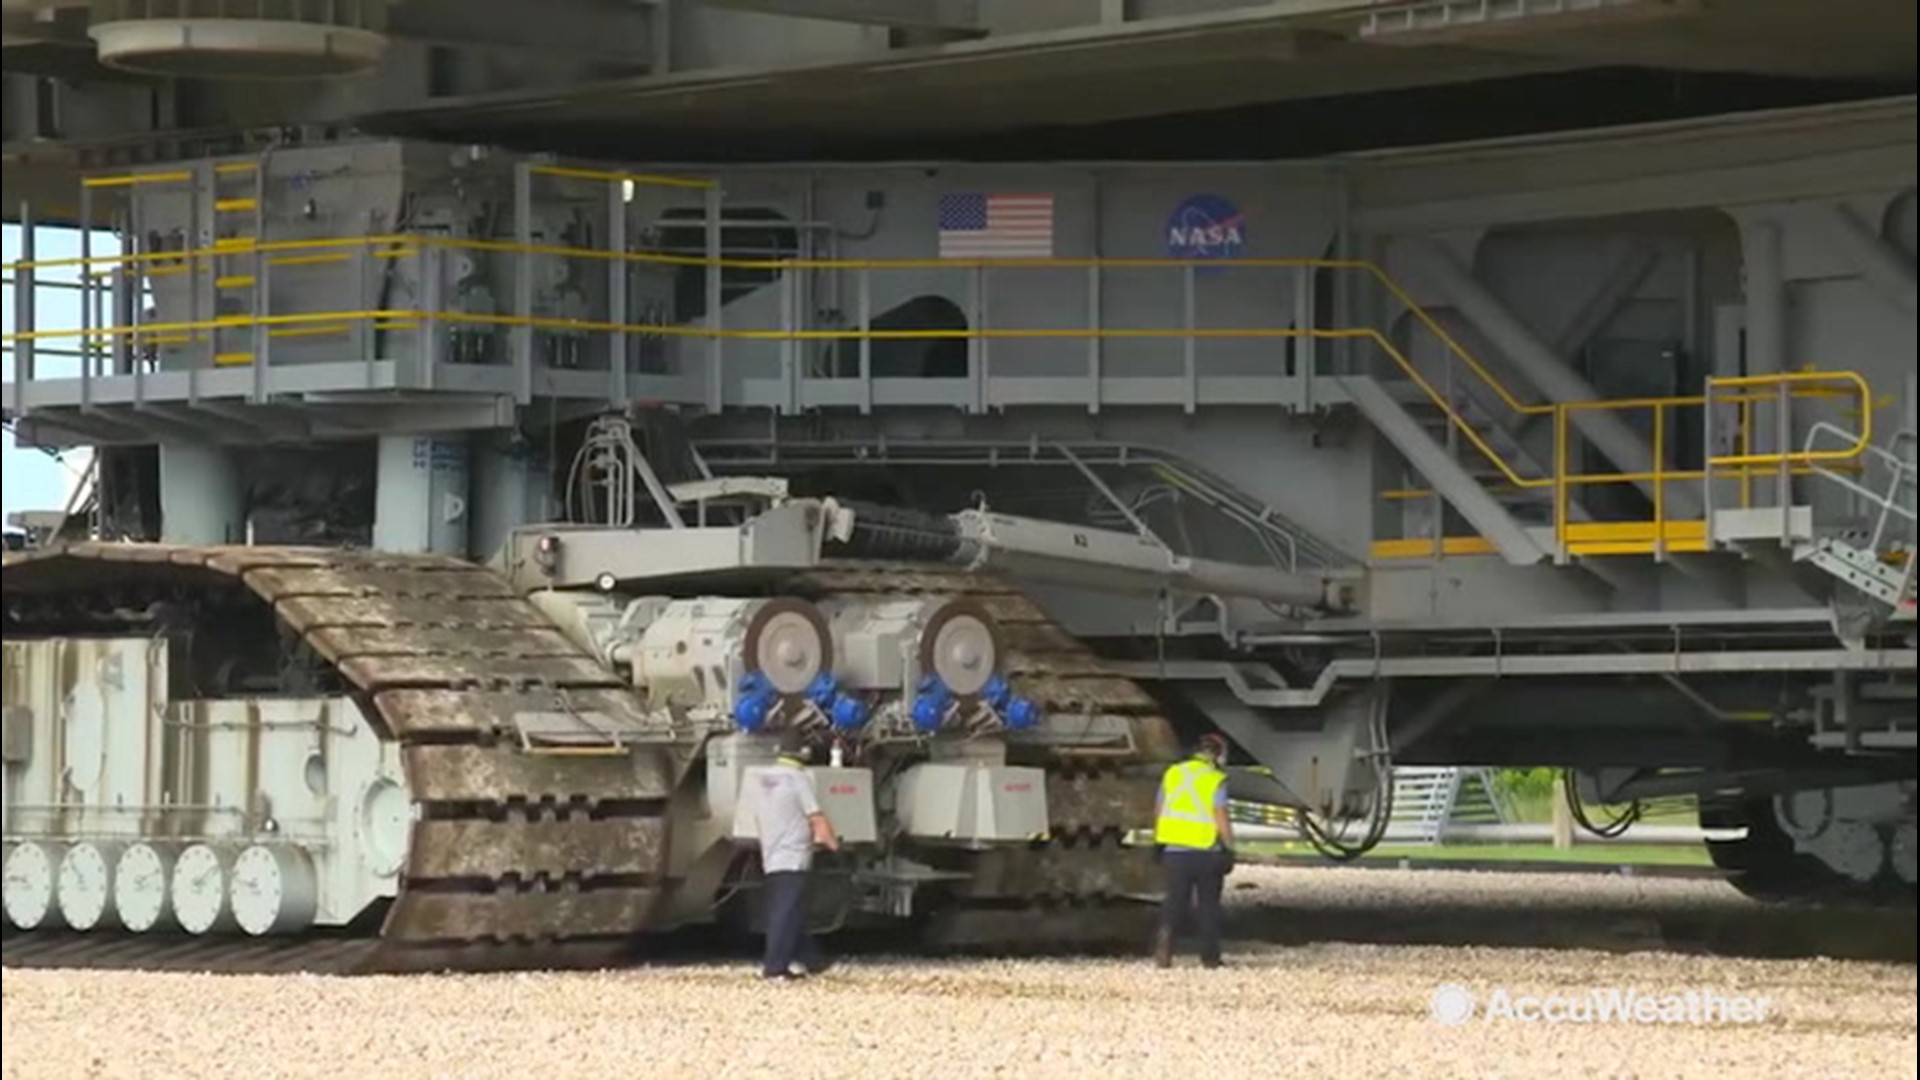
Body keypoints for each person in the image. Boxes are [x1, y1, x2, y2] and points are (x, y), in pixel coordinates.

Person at [750, 727, 840, 980]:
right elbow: (816, 817)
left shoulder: (761, 779)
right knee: (785, 912)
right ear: (804, 752)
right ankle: (775, 967)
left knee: (791, 910)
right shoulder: (798, 778)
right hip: (794, 856)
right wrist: (833, 845)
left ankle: (813, 960)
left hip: (771, 852)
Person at [1152, 732, 1235, 969]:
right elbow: (1220, 815)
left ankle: (1164, 946)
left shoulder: (1173, 774)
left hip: (1174, 851)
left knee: (1175, 901)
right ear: (1217, 754)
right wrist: (1229, 847)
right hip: (1206, 850)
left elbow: (1159, 808)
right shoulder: (1214, 778)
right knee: (1208, 905)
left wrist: (1159, 840)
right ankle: (1210, 957)